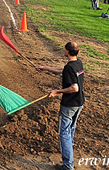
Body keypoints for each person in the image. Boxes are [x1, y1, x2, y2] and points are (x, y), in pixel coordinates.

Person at [36, 42, 85, 170]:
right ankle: (69, 153)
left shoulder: (70, 67)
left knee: (64, 134)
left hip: (69, 105)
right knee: (71, 129)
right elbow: (62, 70)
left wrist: (57, 92)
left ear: (67, 51)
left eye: (64, 49)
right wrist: (44, 67)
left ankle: (68, 165)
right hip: (79, 103)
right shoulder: (78, 63)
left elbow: (74, 87)